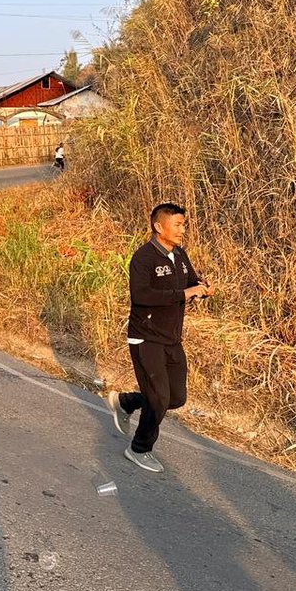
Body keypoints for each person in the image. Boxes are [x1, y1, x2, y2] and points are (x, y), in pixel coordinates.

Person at [106, 202, 213, 473]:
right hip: (146, 337)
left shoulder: (179, 254)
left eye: (184, 224)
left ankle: (127, 402)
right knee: (158, 398)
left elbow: (191, 281)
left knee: (176, 398)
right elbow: (141, 297)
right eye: (177, 225)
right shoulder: (143, 258)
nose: (182, 230)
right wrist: (184, 294)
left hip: (171, 338)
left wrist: (201, 288)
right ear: (158, 226)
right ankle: (139, 448)